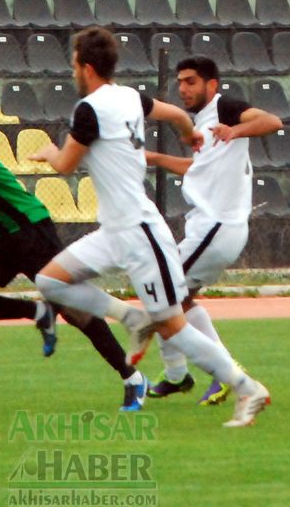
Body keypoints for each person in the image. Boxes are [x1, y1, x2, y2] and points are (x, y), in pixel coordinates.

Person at [31, 27, 270, 427]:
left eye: (74, 63)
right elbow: (176, 114)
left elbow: (66, 165)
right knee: (50, 281)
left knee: (174, 326)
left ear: (85, 66)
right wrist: (189, 134)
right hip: (114, 231)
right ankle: (131, 319)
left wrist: (49, 152)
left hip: (140, 234)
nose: (73, 69)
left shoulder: (88, 109)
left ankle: (247, 387)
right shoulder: (129, 97)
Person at [0, 97, 147, 411]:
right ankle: (37, 313)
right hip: (0, 237)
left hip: (29, 230)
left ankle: (132, 377)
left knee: (75, 310)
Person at [144, 57, 283, 406]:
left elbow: (272, 121)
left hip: (218, 226)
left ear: (212, 85)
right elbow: (197, 167)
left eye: (191, 81)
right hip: (211, 227)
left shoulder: (226, 108)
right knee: (177, 299)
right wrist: (154, 158)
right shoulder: (202, 122)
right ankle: (181, 375)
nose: (183, 88)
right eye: (180, 82)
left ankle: (219, 375)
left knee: (161, 295)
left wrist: (234, 129)